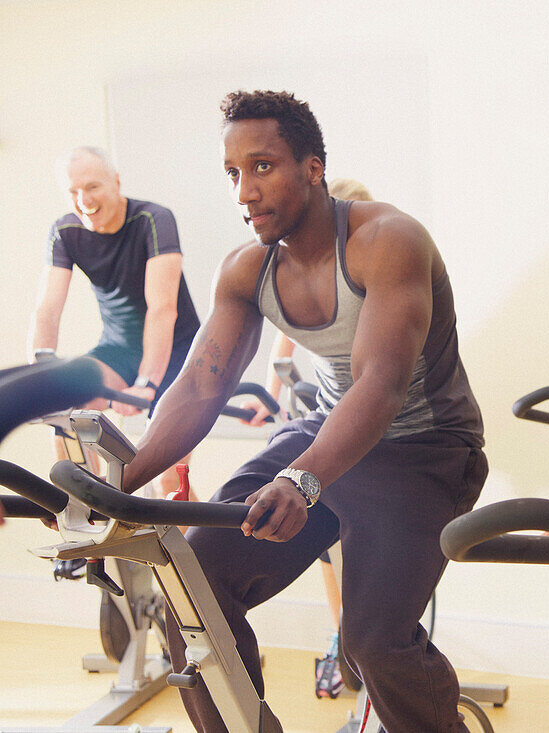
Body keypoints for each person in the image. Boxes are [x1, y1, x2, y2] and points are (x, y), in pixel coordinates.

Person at [119, 90, 486, 733]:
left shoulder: (386, 240)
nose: (244, 192)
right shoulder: (246, 270)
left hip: (427, 449)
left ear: (313, 168)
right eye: (233, 174)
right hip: (329, 433)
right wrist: (114, 487)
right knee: (194, 588)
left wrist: (304, 477)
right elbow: (202, 386)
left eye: (262, 167)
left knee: (370, 646)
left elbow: (382, 383)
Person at [238, 176, 375, 698]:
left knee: (364, 541)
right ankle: (344, 639)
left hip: (380, 426)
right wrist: (269, 396)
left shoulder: (380, 267)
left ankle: (365, 645)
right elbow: (283, 335)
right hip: (325, 416)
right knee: (323, 538)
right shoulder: (300, 276)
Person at [28, 146, 201, 496]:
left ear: (116, 183)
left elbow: (162, 309)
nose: (83, 199)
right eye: (73, 191)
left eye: (92, 187)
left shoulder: (153, 220)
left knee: (164, 479)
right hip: (119, 347)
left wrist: (146, 383)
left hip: (179, 352)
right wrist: (40, 369)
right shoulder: (65, 231)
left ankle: (204, 550)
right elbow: (47, 309)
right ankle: (84, 508)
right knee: (64, 407)